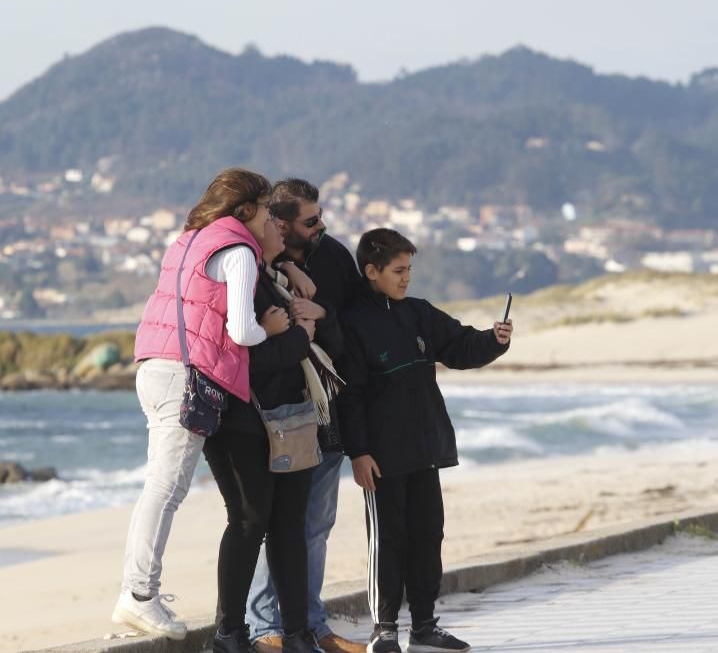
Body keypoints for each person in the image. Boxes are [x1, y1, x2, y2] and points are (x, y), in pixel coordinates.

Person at [114, 168, 291, 640]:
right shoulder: (238, 251)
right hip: (185, 376)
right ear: (246, 209)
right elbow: (241, 331)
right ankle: (137, 596)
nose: (275, 217)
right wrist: (271, 329)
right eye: (269, 208)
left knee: (162, 486)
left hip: (154, 367)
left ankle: (137, 594)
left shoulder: (190, 241)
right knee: (165, 488)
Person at [337, 228, 513, 653]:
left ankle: (424, 627)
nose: (406, 278)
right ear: (371, 271)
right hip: (381, 457)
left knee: (428, 537)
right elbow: (350, 395)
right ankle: (383, 629)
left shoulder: (418, 312)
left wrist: (494, 340)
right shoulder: (353, 324)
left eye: (409, 269)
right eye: (398, 270)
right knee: (388, 542)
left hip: (425, 449)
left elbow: (459, 346)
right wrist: (358, 452)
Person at [203, 214, 344, 653]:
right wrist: (299, 334)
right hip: (245, 421)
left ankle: (298, 633)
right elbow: (251, 359)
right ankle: (232, 632)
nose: (277, 229)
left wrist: (295, 320)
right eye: (269, 221)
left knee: (287, 528)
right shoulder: (242, 278)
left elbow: (302, 326)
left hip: (293, 417)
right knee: (249, 523)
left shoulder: (273, 275)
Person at [245, 179, 366, 653]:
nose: (322, 227)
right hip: (277, 412)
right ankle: (263, 626)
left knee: (316, 524)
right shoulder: (253, 263)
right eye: (311, 220)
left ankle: (311, 624)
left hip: (328, 407)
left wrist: (323, 314)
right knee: (274, 523)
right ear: (279, 222)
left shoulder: (332, 256)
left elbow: (355, 327)